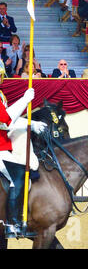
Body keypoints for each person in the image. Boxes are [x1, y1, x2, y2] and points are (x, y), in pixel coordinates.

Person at [0, 60, 47, 238]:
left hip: (3, 147)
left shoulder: (0, 95)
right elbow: (6, 120)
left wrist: (32, 123)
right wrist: (24, 100)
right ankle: (11, 223)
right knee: (18, 175)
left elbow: (6, 120)